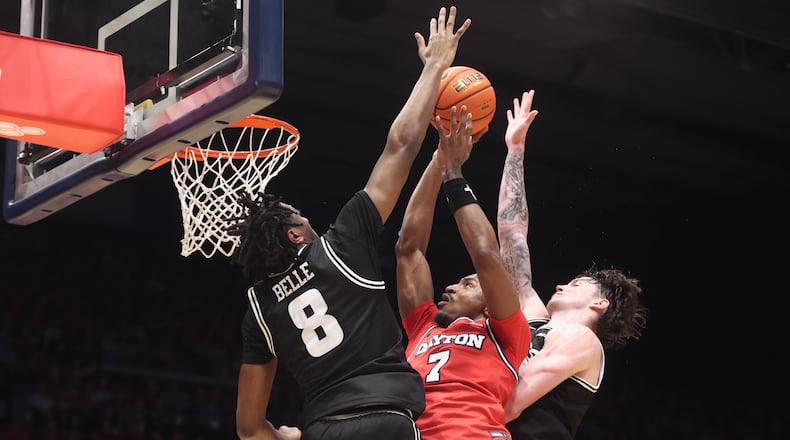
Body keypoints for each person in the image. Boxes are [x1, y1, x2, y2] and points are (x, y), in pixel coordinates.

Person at [225, 6, 472, 440]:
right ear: (294, 233)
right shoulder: (340, 245)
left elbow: (248, 428)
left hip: (324, 428)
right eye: (301, 216)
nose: (309, 220)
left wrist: (282, 437)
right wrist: (434, 67)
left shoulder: (259, 310)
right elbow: (401, 146)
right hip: (386, 419)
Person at [496, 90, 648, 439]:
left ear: (600, 303)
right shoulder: (537, 319)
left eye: (576, 284)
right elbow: (511, 234)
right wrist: (515, 151)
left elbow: (511, 404)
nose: (560, 285)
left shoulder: (583, 340)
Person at [394, 104, 531, 440]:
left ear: (490, 305)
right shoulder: (424, 324)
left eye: (468, 284)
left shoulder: (508, 335)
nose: (452, 288)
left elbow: (486, 255)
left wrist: (455, 174)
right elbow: (408, 249)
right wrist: (439, 161)